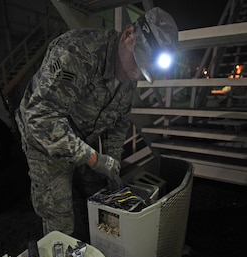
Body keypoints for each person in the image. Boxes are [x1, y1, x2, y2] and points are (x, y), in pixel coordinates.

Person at [16, 7, 178, 241]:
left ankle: (103, 243)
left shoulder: (130, 76)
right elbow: (41, 118)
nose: (136, 74)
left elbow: (119, 122)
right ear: (128, 33)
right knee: (60, 216)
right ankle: (61, 256)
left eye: (144, 70)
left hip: (81, 136)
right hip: (43, 136)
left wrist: (112, 161)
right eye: (136, 60)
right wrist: (94, 159)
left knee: (99, 191)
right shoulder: (77, 52)